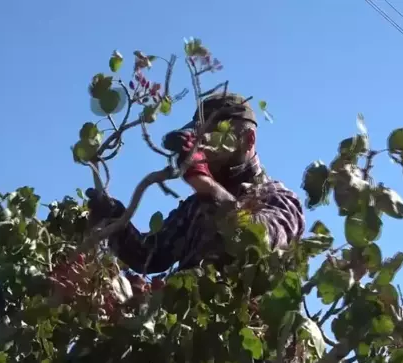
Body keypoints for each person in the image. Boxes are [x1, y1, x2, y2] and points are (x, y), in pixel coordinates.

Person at [85, 92, 306, 274]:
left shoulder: (278, 198)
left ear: (249, 139)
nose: (204, 145)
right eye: (201, 136)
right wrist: (115, 217)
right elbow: (149, 256)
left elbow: (260, 240)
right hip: (187, 322)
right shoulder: (194, 206)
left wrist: (207, 187)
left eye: (215, 134)